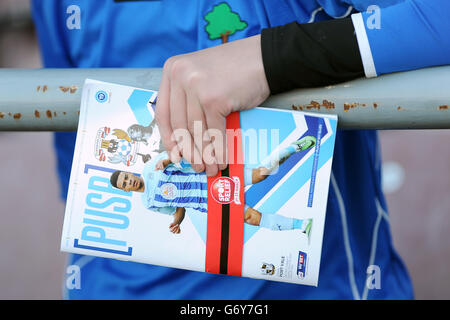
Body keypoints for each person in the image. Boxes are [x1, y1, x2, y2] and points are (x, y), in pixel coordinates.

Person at [31, 0, 450, 299]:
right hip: (122, 284)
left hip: (314, 283)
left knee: (266, 178)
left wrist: (273, 57)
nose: (126, 178)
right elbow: (76, 155)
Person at [108, 137, 316, 236]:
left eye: (126, 177)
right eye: (125, 183)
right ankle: (301, 225)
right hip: (211, 205)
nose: (129, 181)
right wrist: (176, 221)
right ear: (126, 190)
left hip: (212, 180)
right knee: (251, 217)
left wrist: (168, 161)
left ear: (129, 173)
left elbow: (177, 157)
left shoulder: (150, 169)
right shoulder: (149, 203)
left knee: (261, 174)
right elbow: (179, 208)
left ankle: (290, 149)